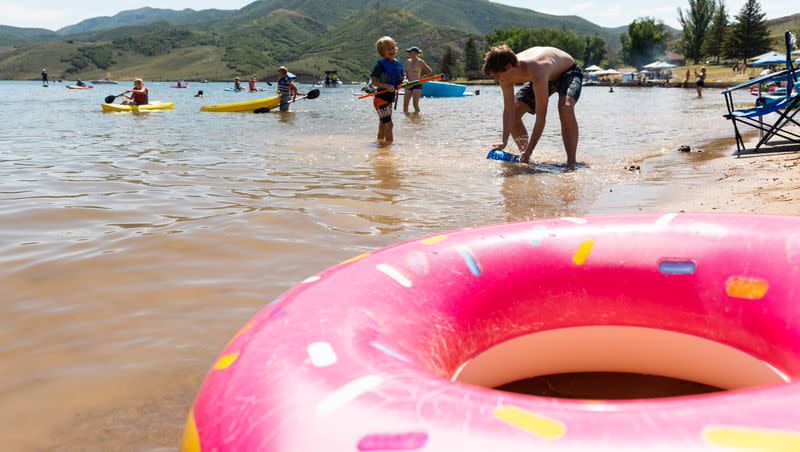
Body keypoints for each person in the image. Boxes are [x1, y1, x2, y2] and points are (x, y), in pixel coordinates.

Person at [483, 44, 582, 166]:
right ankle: (525, 156)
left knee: (565, 108)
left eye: (497, 76)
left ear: (508, 67)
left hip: (568, 72)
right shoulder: (505, 76)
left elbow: (541, 119)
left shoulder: (536, 69)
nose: (497, 80)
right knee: (515, 112)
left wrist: (531, 149)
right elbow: (509, 109)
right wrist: (504, 141)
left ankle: (571, 163)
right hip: (546, 73)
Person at [370, 36, 403, 144]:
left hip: (389, 99)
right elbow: (373, 82)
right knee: (389, 124)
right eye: (388, 49)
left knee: (383, 123)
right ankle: (389, 150)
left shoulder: (398, 64)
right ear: (382, 51)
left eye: (392, 48)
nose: (391, 50)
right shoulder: (380, 65)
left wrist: (404, 82)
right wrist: (386, 86)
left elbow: (401, 80)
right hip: (380, 99)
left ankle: (380, 145)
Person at [403, 46, 433, 113]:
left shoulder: (420, 61)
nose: (409, 53)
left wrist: (421, 80)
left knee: (415, 104)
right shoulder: (408, 61)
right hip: (408, 85)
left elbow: (429, 71)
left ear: (415, 53)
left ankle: (418, 119)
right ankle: (406, 121)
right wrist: (405, 79)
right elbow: (406, 72)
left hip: (417, 85)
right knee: (405, 105)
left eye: (410, 52)